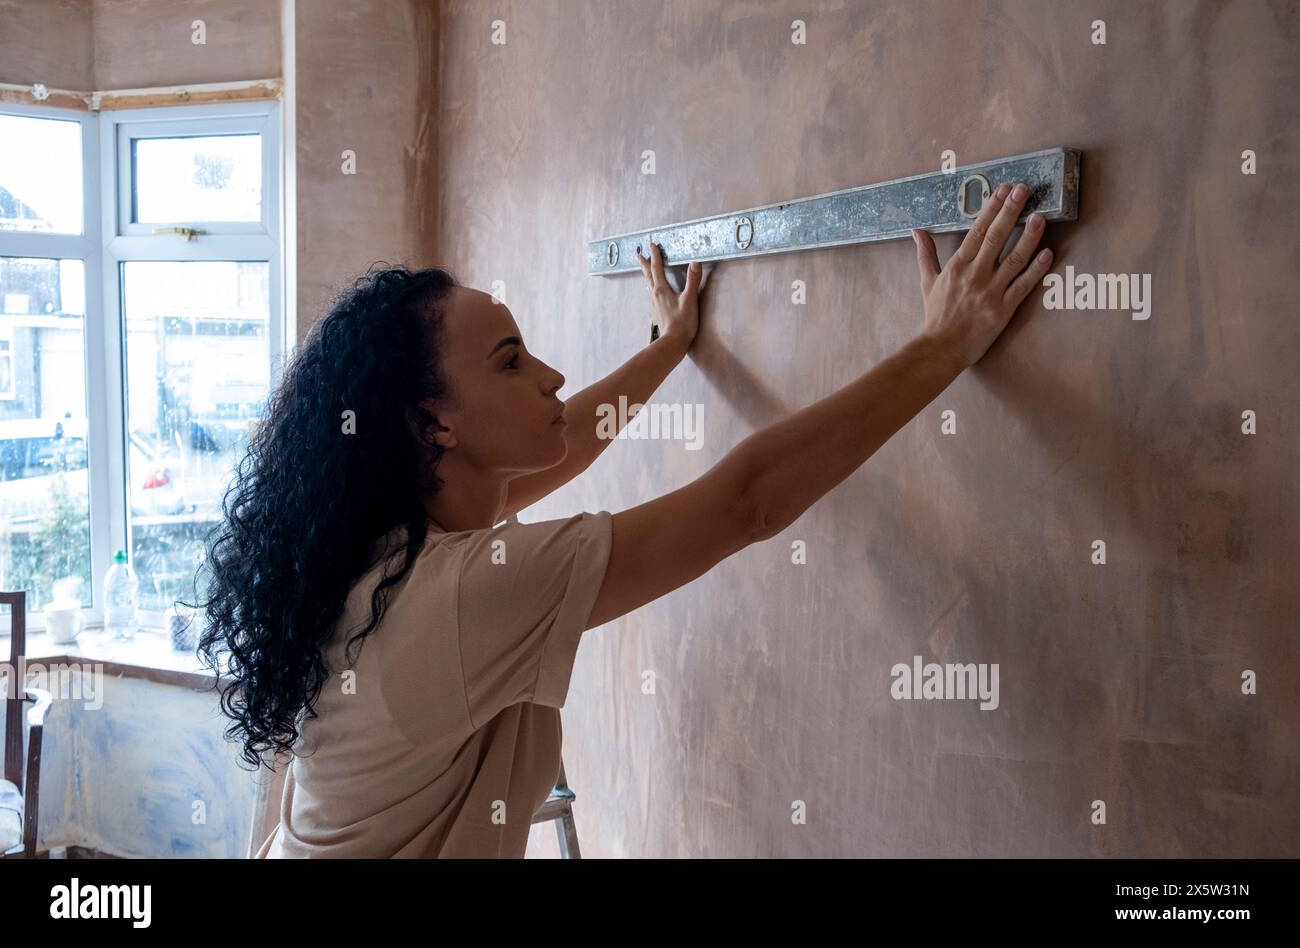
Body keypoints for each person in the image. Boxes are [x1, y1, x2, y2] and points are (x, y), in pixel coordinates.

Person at [194, 181, 1053, 858]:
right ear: (435, 422)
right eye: (511, 361)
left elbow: (568, 441)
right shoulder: (454, 596)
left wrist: (669, 345)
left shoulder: (399, 533)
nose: (551, 373)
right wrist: (942, 345)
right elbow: (748, 500)